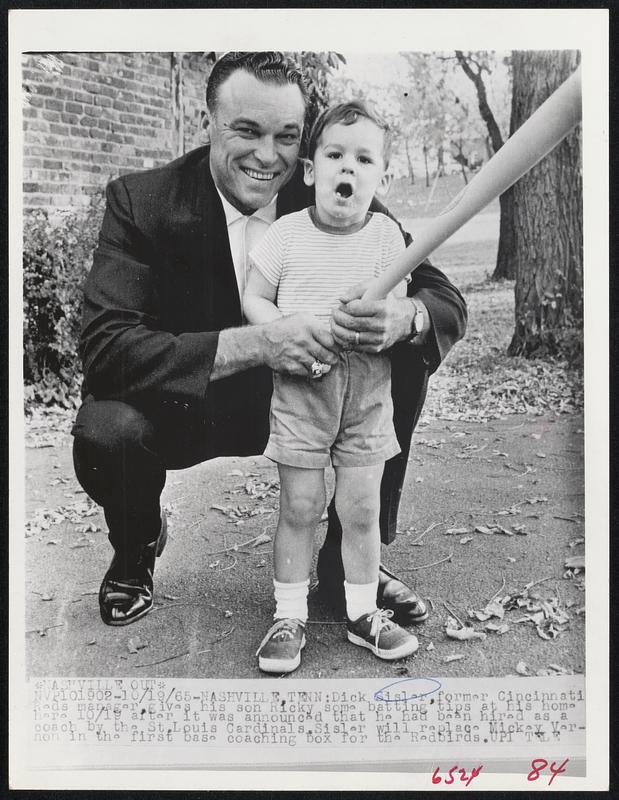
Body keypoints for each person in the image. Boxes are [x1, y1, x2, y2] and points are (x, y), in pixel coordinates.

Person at [71, 51, 467, 631]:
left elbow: (443, 298)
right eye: (247, 130)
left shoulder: (333, 184)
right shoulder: (142, 202)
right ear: (208, 122)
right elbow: (106, 349)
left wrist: (405, 317)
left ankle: (347, 564)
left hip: (324, 401)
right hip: (200, 404)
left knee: (401, 349)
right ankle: (137, 546)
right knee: (108, 429)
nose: (267, 156)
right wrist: (261, 343)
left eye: (286, 136)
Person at [245, 101, 421, 673]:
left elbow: (399, 305)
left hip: (368, 387)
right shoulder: (285, 235)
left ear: (381, 177)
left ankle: (363, 612)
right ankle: (289, 615)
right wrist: (282, 331)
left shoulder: (387, 237)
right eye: (336, 154)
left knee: (360, 506)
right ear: (312, 169)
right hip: (301, 384)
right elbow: (253, 297)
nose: (349, 167)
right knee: (300, 504)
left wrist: (391, 314)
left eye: (364, 159)